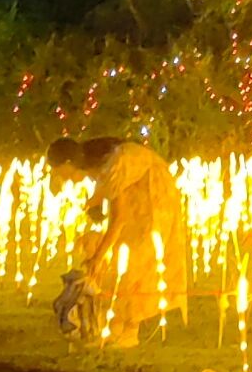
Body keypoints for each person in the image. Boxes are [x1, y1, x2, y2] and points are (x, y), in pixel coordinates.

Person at [48, 136, 190, 349]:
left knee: (134, 261)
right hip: (141, 198)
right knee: (121, 257)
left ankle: (129, 331)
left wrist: (98, 257)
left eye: (59, 171)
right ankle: (115, 327)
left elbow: (119, 219)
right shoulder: (104, 169)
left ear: (69, 164)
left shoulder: (115, 167)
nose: (62, 178)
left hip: (153, 197)